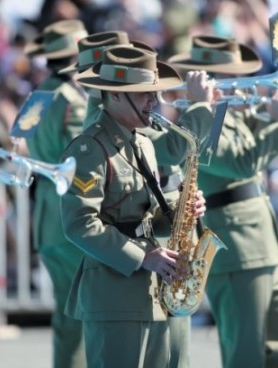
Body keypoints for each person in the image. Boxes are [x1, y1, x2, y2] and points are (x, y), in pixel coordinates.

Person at [167, 29, 278, 368]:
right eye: (228, 76)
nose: (238, 83)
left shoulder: (233, 113)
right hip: (235, 245)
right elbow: (240, 163)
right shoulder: (197, 124)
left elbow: (276, 112)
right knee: (245, 354)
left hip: (262, 240)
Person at [61, 46, 206, 367]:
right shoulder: (89, 148)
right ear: (113, 96)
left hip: (150, 291)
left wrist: (182, 206)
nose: (153, 101)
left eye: (153, 93)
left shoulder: (142, 141)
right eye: (143, 94)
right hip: (112, 294)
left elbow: (145, 206)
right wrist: (142, 257)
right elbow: (80, 224)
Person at [24, 19, 89, 368]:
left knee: (69, 316)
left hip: (49, 217)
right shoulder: (70, 99)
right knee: (83, 315)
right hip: (71, 216)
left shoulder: (40, 93)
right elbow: (83, 159)